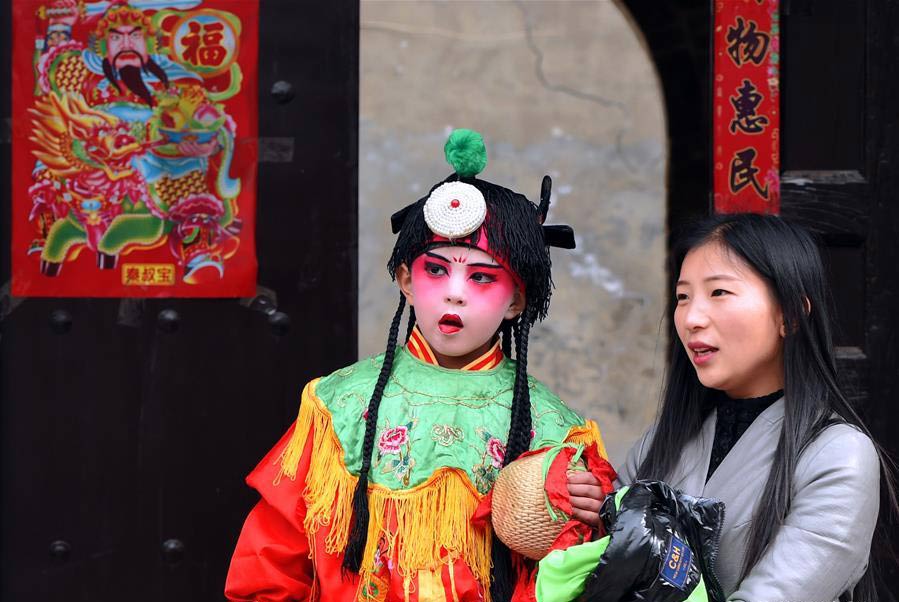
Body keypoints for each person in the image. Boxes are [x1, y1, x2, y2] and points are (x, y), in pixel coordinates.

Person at [225, 129, 607, 602]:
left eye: (483, 277)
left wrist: (587, 515)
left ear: (516, 301)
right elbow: (272, 558)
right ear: (406, 280)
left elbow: (565, 578)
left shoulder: (553, 431)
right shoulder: (339, 405)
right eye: (436, 269)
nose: (455, 292)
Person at [568, 213, 896, 601]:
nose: (691, 318)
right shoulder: (661, 442)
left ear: (789, 315)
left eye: (719, 293)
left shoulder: (838, 454)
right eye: (683, 297)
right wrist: (593, 514)